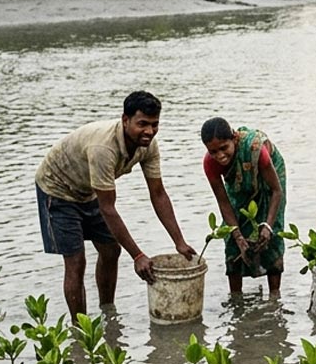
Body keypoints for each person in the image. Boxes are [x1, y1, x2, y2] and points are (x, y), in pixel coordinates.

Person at [35, 91, 196, 319]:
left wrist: (179, 242)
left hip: (88, 189)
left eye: (154, 124)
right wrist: (138, 255)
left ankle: (108, 313)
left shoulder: (148, 145)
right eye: (142, 124)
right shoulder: (104, 148)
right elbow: (108, 208)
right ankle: (81, 329)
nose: (149, 131)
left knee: (111, 250)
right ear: (125, 120)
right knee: (76, 261)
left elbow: (158, 194)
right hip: (57, 188)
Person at [201, 118, 287, 298]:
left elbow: (276, 191)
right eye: (213, 151)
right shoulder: (210, 164)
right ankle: (236, 298)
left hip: (271, 180)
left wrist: (268, 226)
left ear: (234, 138)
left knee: (271, 236)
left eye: (224, 148)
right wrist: (238, 236)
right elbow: (224, 202)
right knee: (232, 237)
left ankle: (274, 297)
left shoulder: (255, 150)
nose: (220, 155)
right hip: (239, 183)